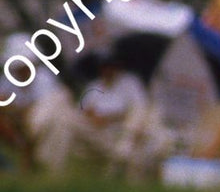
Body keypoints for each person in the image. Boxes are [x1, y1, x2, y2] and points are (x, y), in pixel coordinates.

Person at [0, 31, 80, 173]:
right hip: (20, 122)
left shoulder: (44, 77)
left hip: (44, 124)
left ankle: (40, 164)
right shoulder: (7, 80)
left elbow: (40, 112)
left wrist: (14, 109)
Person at [74, 54, 163, 179]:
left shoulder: (130, 83)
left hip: (122, 129)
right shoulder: (95, 85)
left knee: (135, 129)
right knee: (72, 121)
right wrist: (93, 116)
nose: (108, 71)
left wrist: (109, 118)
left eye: (111, 67)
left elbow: (139, 108)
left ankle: (120, 163)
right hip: (98, 131)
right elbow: (83, 108)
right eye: (105, 67)